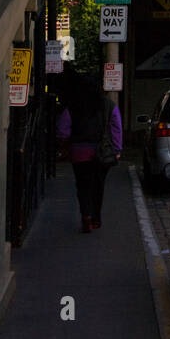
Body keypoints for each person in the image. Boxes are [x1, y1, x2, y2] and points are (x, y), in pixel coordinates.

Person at [56, 74, 121, 233]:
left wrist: (68, 143)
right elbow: (116, 128)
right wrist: (117, 149)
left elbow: (62, 130)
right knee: (98, 186)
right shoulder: (108, 105)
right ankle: (95, 218)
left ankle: (85, 214)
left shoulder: (73, 106)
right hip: (102, 152)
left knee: (83, 185)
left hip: (79, 152)